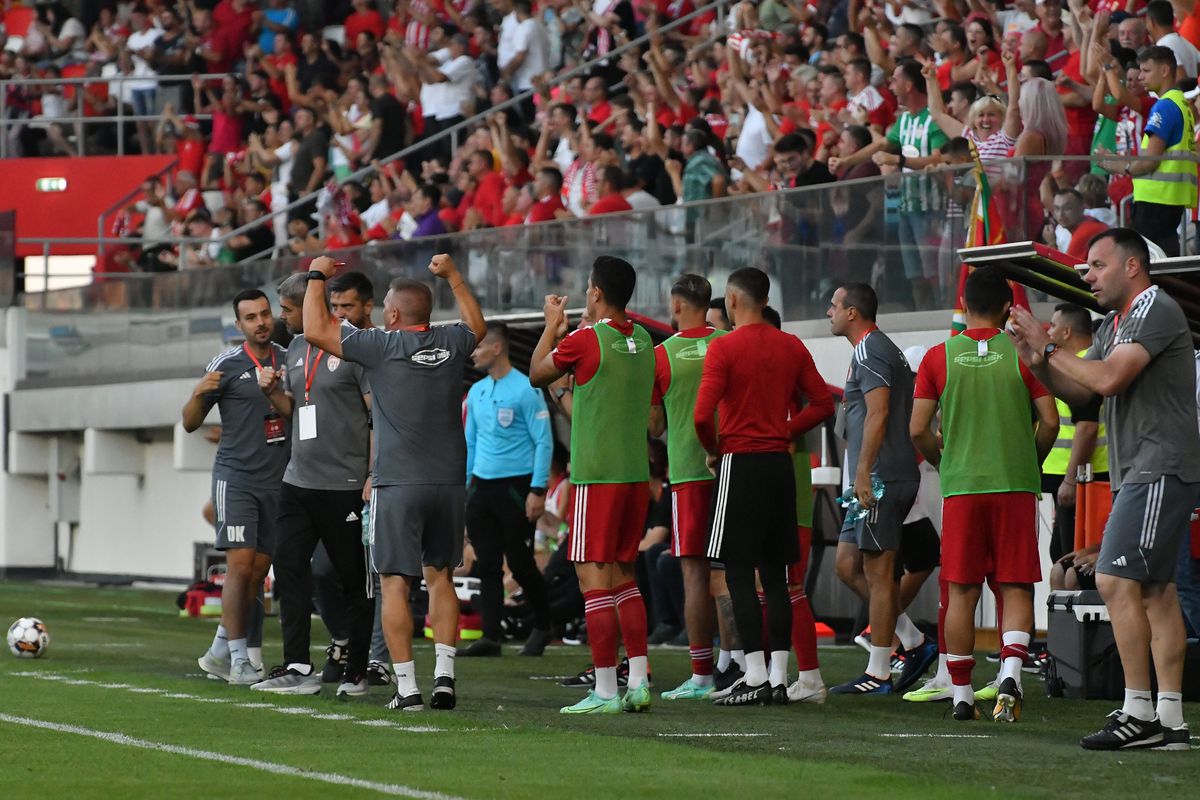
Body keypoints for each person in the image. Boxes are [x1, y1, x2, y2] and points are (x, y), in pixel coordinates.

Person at [1008, 228, 1200, 751]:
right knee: (1157, 594)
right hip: (1145, 467)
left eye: (1097, 265)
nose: (1086, 275)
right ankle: (1170, 722)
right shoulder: (1118, 322)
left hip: (1157, 466)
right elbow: (1085, 395)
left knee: (1114, 580)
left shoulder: (1152, 308)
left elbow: (1110, 378)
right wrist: (1037, 361)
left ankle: (1138, 712)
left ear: (1133, 267)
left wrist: (1049, 345)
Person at [301, 253, 486, 712]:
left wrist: (317, 275)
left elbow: (314, 330)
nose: (383, 310)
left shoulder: (379, 345)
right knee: (441, 577)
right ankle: (445, 678)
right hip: (447, 481)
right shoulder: (450, 341)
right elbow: (476, 324)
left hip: (397, 483)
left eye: (386, 304)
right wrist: (455, 278)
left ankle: (407, 689)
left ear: (396, 314)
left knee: (395, 583)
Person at [910, 266, 1058, 723]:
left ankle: (960, 695)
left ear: (965, 305)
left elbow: (918, 428)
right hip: (1014, 484)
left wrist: (943, 459)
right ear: (1007, 308)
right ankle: (1010, 672)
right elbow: (1051, 421)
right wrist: (1029, 460)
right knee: (1015, 583)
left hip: (962, 487)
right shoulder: (1021, 354)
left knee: (961, 590)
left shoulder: (938, 357)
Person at [694, 267, 834, 706]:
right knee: (775, 574)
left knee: (737, 570)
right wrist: (788, 429)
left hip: (739, 461)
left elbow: (701, 415)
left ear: (732, 302)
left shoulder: (725, 347)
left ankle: (753, 673)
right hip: (779, 464)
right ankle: (777, 676)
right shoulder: (790, 345)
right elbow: (824, 403)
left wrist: (714, 448)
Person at [529, 256, 656, 715]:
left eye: (588, 287)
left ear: (596, 293)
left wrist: (551, 326)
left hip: (596, 477)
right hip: (635, 477)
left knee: (591, 579)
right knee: (625, 576)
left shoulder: (587, 338)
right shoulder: (643, 339)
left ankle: (604, 690)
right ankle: (638, 681)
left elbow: (538, 372)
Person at [249, 274, 373, 696]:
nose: (281, 318)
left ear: (311, 304)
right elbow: (298, 411)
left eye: (286, 309)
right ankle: (298, 666)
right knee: (287, 566)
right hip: (298, 479)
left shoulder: (354, 347)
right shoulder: (299, 346)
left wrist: (372, 473)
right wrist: (272, 393)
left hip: (343, 484)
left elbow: (375, 417)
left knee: (352, 579)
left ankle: (358, 668)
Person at [827, 283, 931, 696]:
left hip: (882, 477)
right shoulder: (871, 350)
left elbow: (880, 411)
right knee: (847, 566)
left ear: (852, 312)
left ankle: (879, 672)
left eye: (834, 306)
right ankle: (914, 641)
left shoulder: (871, 349)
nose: (828, 312)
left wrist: (865, 471)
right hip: (875, 475)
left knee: (878, 570)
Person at [183, 290, 289, 686]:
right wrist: (197, 393)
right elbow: (191, 422)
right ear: (239, 325)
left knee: (259, 571)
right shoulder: (226, 364)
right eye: (251, 317)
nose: (260, 322)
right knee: (240, 567)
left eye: (265, 314)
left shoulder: (288, 359)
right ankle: (240, 660)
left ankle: (218, 649)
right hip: (236, 478)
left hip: (277, 480)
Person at [649, 275, 728, 701]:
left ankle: (701, 674)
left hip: (690, 474)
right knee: (739, 571)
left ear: (677, 305)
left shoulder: (663, 355)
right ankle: (745, 664)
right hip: (732, 469)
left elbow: (655, 425)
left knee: (695, 575)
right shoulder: (728, 343)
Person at [460, 322, 555, 658]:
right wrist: (466, 485)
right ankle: (491, 636)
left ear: (497, 348)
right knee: (486, 563)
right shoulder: (476, 392)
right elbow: (470, 442)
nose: (473, 353)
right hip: (481, 488)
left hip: (516, 487)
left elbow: (543, 441)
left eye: (479, 347)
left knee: (520, 562)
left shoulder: (527, 389)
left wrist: (537, 489)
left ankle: (544, 624)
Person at [1098, 47, 1196, 258]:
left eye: (1146, 70)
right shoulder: (1180, 103)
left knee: (1145, 260)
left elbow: (1150, 160)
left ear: (1164, 70)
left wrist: (1117, 165)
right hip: (1168, 200)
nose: (1140, 76)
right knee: (1163, 259)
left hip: (1156, 202)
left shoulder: (1165, 107)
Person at [1040, 303, 1108, 564]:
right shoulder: (1075, 365)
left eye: (1054, 325)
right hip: (1072, 477)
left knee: (1072, 562)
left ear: (1067, 332)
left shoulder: (1084, 366)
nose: (1050, 330)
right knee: (1061, 556)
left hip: (1087, 479)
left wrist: (1070, 479)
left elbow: (1086, 427)